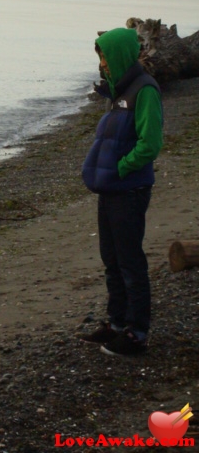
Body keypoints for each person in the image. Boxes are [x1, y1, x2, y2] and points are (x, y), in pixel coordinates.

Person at [80, 27, 163, 356]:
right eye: (99, 56)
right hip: (111, 190)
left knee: (130, 262)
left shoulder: (145, 91)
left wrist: (120, 169)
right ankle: (116, 323)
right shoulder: (118, 91)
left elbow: (150, 144)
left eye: (106, 56)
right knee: (111, 260)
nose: (103, 63)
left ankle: (137, 333)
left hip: (128, 190)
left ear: (120, 55)